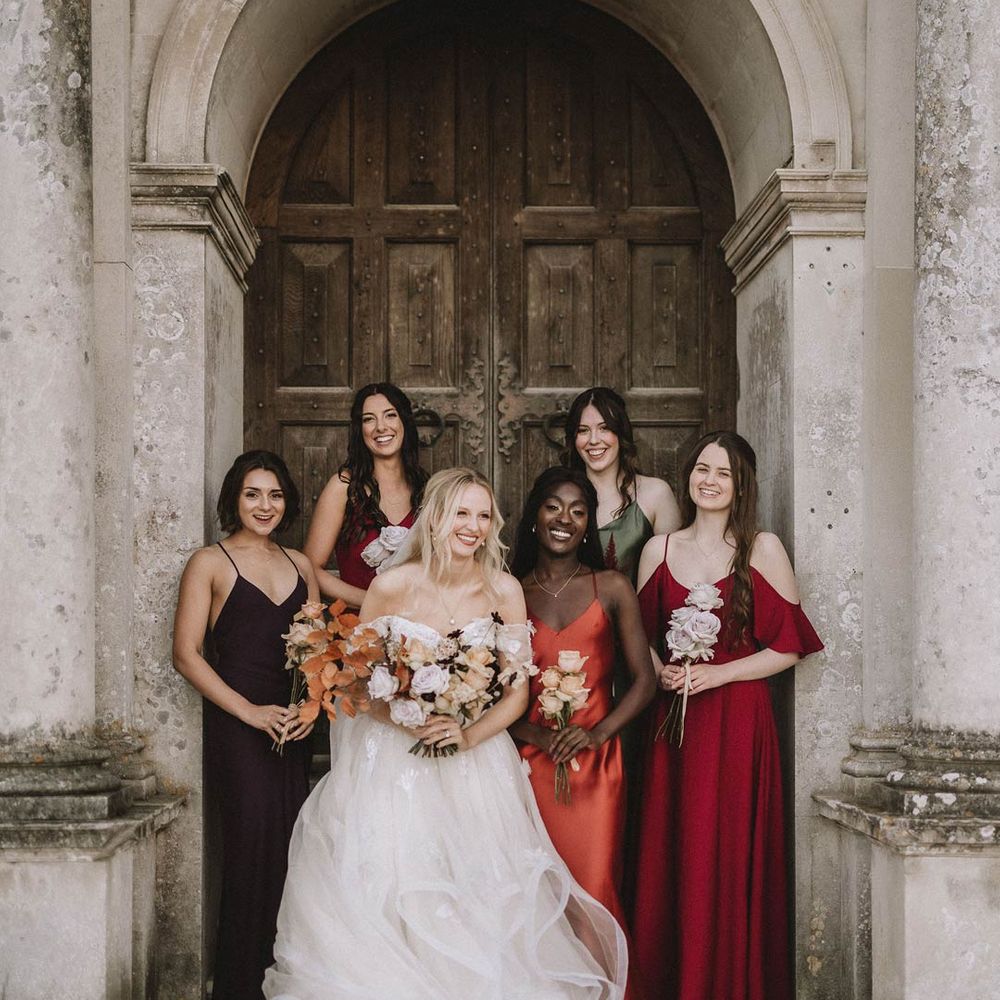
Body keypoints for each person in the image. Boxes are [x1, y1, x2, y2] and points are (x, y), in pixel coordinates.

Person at [264, 467, 626, 1000]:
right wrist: (408, 716)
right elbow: (355, 686)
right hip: (393, 762)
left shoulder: (503, 589)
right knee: (396, 886)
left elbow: (517, 694)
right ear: (435, 518)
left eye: (483, 516)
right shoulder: (392, 585)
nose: (474, 526)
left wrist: (467, 734)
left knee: (474, 895)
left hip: (473, 761)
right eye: (462, 513)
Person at [630, 431, 824, 1000]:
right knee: (678, 848)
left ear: (741, 485)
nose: (709, 481)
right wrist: (660, 666)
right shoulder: (658, 550)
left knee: (728, 847)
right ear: (688, 477)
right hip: (674, 726)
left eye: (723, 473)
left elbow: (788, 647)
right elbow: (638, 635)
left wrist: (718, 673)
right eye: (701, 470)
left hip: (738, 721)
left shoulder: (760, 547)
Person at [172, 450, 319, 1000]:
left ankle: (282, 981)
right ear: (235, 497)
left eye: (276, 494)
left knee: (291, 851)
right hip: (239, 725)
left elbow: (320, 653)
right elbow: (186, 655)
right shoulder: (209, 563)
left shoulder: (302, 564)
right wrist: (250, 712)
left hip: (293, 729)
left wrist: (311, 707)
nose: (265, 504)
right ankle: (237, 987)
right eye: (253, 493)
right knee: (249, 851)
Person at [510, 467, 656, 1000]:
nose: (564, 519)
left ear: (589, 523)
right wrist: (533, 733)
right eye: (553, 506)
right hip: (526, 764)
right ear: (534, 516)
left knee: (592, 890)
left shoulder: (611, 586)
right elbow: (495, 693)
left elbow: (644, 682)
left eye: (577, 510)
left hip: (597, 770)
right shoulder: (510, 593)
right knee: (538, 892)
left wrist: (598, 734)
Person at [304, 382, 428, 607]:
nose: (381, 427)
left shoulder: (428, 488)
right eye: (369, 419)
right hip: (359, 629)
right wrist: (372, 601)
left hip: (419, 628)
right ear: (359, 430)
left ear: (405, 422)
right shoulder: (343, 487)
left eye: (390, 415)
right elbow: (309, 568)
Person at [563, 386, 681, 587]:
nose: (593, 440)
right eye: (583, 430)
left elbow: (674, 577)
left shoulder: (656, 494)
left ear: (621, 432)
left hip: (640, 616)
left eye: (604, 428)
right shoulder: (559, 495)